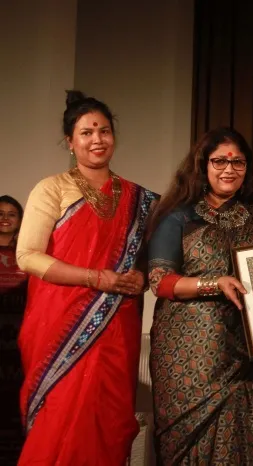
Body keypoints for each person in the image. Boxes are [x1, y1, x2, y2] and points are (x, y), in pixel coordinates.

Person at [15, 91, 157, 465]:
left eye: (104, 131)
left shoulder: (139, 198)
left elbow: (146, 260)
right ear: (70, 141)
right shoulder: (52, 189)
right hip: (61, 324)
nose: (97, 140)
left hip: (116, 326)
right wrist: (97, 278)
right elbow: (27, 256)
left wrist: (140, 277)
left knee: (107, 418)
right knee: (62, 414)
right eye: (86, 132)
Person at [148, 127, 253, 465]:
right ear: (203, 165)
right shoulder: (180, 215)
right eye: (220, 161)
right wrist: (214, 284)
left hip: (247, 351)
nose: (229, 169)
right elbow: (159, 281)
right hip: (190, 354)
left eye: (238, 162)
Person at [0, 195, 27, 463]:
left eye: (12, 213)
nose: (5, 218)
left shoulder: (26, 254)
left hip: (20, 334)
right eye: (0, 213)